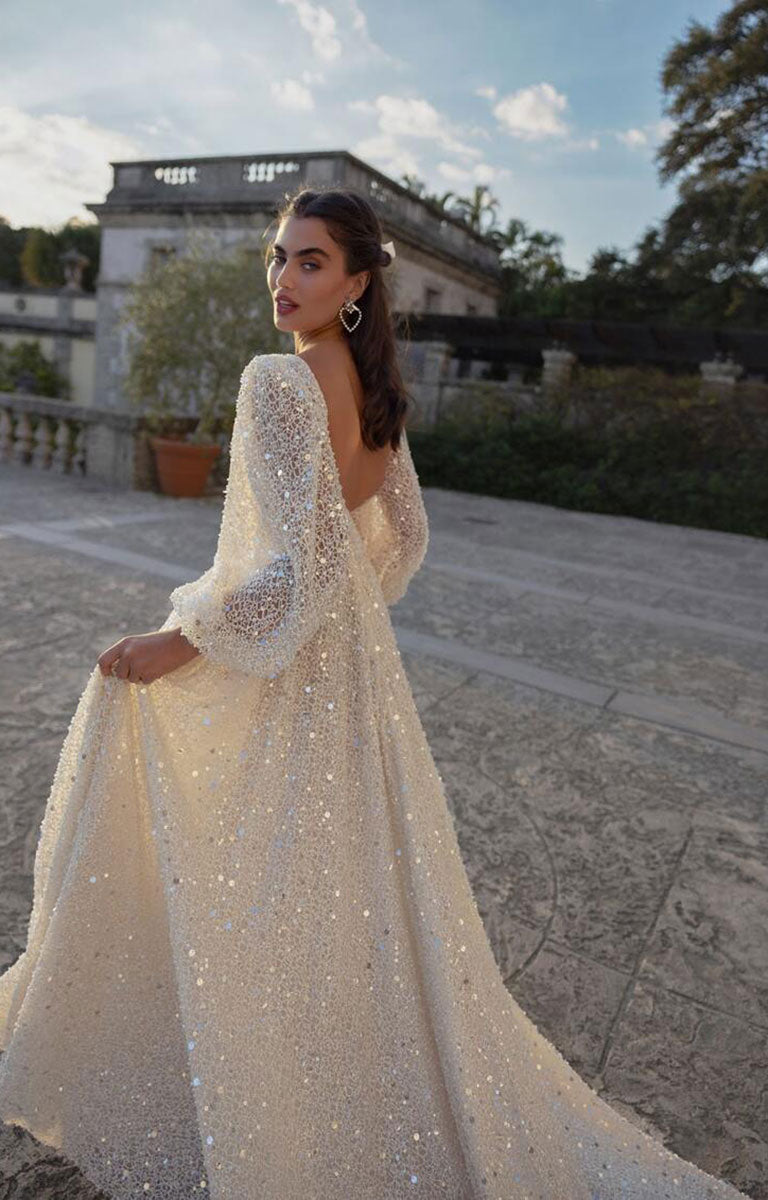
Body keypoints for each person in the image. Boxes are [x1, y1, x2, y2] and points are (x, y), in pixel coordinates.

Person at [0, 185, 749, 1200]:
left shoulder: (279, 381)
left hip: (294, 663)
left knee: (242, 859)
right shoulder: (375, 382)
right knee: (331, 877)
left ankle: (238, 1085)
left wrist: (181, 640)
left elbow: (303, 563)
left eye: (310, 262)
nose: (284, 279)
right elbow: (402, 539)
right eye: (278, 257)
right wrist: (348, 618)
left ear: (357, 282)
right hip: (349, 678)